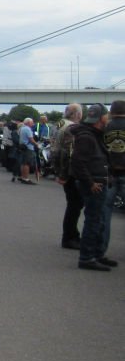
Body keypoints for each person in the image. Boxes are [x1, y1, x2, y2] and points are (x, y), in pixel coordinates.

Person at [73, 104, 114, 271]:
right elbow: (78, 162)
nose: (108, 119)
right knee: (94, 221)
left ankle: (96, 254)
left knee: (99, 221)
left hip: (98, 181)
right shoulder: (87, 137)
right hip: (94, 184)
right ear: (101, 118)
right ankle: (87, 257)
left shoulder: (93, 134)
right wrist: (90, 182)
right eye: (107, 116)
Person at [52, 103, 84, 250]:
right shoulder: (72, 128)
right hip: (70, 171)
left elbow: (55, 148)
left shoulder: (59, 124)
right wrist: (64, 174)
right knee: (74, 206)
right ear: (78, 114)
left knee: (73, 205)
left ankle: (71, 235)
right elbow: (67, 153)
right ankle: (70, 237)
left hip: (61, 168)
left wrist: (58, 171)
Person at [101, 100, 125, 255]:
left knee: (104, 214)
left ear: (111, 111)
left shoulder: (105, 127)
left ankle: (100, 251)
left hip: (108, 174)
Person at [17, 118, 38, 185]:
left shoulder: (22, 128)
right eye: (32, 122)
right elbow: (31, 139)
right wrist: (36, 144)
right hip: (28, 147)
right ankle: (26, 178)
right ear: (28, 123)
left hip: (23, 146)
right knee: (27, 164)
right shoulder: (28, 129)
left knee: (23, 163)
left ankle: (22, 177)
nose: (33, 123)